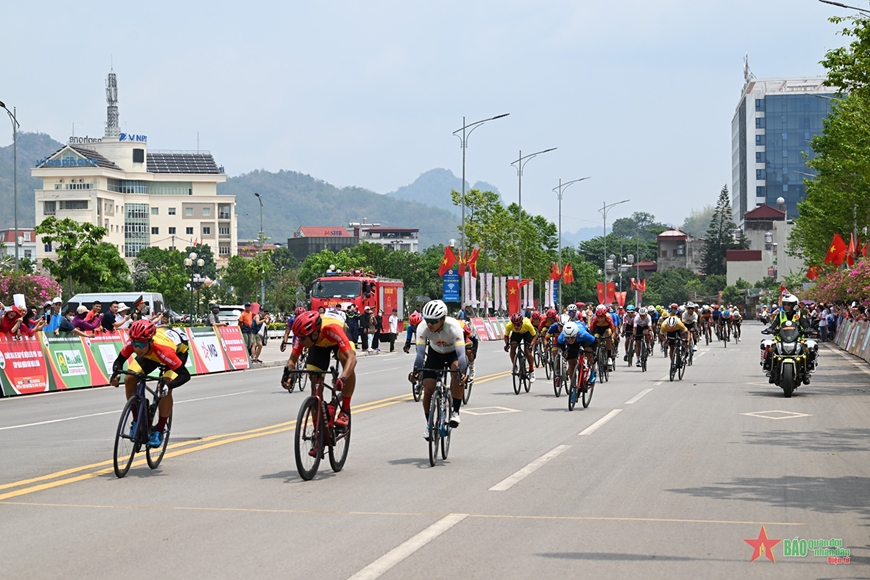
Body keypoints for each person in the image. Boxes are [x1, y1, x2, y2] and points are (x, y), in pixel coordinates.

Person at [111, 319, 191, 448]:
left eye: (141, 345)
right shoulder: (135, 342)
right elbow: (119, 361)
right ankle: (137, 420)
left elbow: (185, 375)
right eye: (135, 344)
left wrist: (168, 386)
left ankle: (159, 430)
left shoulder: (164, 351)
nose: (137, 349)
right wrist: (115, 374)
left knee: (165, 385)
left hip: (176, 352)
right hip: (151, 353)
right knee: (129, 379)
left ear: (150, 341)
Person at [283, 311, 358, 429]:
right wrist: (289, 375)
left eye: (303, 339)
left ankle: (345, 410)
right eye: (299, 338)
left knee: (345, 358)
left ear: (314, 334)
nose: (300, 341)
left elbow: (352, 358)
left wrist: (343, 378)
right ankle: (318, 432)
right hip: (318, 345)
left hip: (337, 337)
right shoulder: (303, 335)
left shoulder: (332, 328)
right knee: (315, 383)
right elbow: (292, 361)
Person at [408, 300, 467, 440]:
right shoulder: (422, 327)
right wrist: (415, 371)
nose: (430, 324)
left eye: (434, 321)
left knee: (458, 373)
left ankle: (455, 412)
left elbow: (462, 355)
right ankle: (429, 425)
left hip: (453, 353)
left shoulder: (454, 327)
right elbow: (420, 354)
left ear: (443, 319)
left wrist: (463, 373)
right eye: (427, 320)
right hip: (435, 354)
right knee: (428, 388)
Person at [557, 320, 597, 390]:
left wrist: (593, 353)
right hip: (574, 341)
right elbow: (560, 344)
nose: (570, 340)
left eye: (572, 337)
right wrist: (564, 352)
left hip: (583, 339)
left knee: (588, 352)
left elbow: (595, 342)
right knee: (571, 362)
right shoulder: (562, 337)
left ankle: (593, 371)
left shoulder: (583, 334)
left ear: (576, 334)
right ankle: (573, 384)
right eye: (568, 338)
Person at [503, 312, 538, 382]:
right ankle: (514, 365)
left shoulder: (527, 324)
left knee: (528, 352)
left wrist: (531, 345)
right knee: (512, 347)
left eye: (518, 325)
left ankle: (532, 371)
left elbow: (535, 336)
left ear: (521, 323)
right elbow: (506, 336)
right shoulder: (509, 325)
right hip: (516, 334)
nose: (516, 327)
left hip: (527, 333)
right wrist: (507, 344)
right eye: (514, 325)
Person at [589, 305, 617, 369]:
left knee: (607, 337)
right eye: (598, 318)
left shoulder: (609, 318)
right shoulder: (594, 319)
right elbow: (591, 331)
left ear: (605, 316)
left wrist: (611, 338)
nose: (600, 319)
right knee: (596, 339)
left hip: (606, 328)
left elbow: (613, 331)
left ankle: (609, 357)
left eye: (602, 317)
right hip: (598, 329)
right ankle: (597, 354)